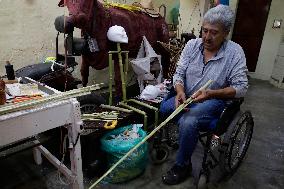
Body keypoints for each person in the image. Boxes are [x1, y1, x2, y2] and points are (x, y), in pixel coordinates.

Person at [160, 5, 248, 185]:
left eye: (214, 32)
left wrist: (210, 93)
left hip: (213, 100)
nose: (207, 37)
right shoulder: (192, 45)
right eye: (204, 30)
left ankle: (183, 165)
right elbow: (179, 73)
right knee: (164, 108)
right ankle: (187, 136)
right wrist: (179, 91)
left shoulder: (234, 52)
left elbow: (241, 87)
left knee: (188, 121)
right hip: (187, 96)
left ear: (226, 32)